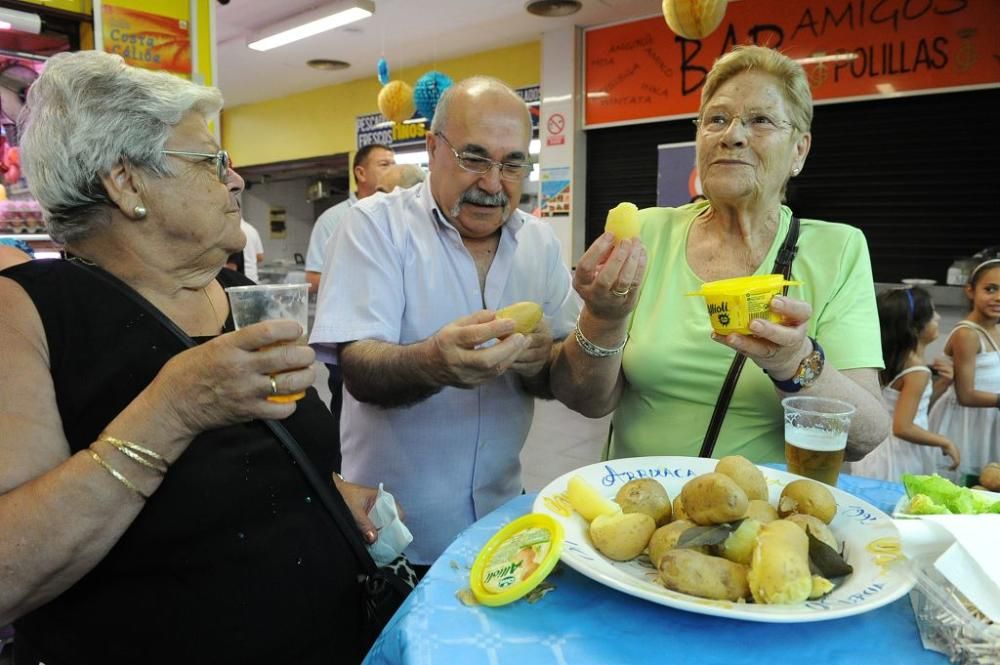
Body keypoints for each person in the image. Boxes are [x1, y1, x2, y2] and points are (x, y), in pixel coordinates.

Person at [0, 50, 392, 664]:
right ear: (126, 182)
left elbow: (238, 481)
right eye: (211, 161)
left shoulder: (234, 288)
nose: (235, 180)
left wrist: (319, 493)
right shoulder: (27, 312)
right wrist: (173, 410)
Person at [550, 45, 889, 464]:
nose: (732, 134)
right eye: (716, 119)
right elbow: (586, 400)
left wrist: (793, 361)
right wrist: (602, 318)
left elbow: (866, 434)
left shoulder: (837, 250)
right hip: (637, 510)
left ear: (799, 150)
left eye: (760, 120)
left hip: (763, 520)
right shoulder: (648, 233)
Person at [310, 76, 580, 570]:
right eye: (474, 158)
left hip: (504, 524)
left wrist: (545, 358)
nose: (494, 184)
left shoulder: (539, 244)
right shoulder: (374, 227)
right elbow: (358, 368)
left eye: (513, 163)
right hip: (394, 534)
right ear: (432, 149)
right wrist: (433, 362)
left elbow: (557, 379)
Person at [853, 287, 959, 481]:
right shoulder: (917, 371)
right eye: (933, 314)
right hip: (898, 457)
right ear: (915, 327)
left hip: (878, 451)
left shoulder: (895, 360)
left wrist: (943, 384)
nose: (938, 318)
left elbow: (909, 404)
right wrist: (944, 441)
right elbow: (902, 427)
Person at [929, 259, 1000, 483]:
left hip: (990, 420)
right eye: (990, 289)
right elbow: (966, 395)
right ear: (970, 291)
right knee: (966, 485)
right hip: (966, 423)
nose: (998, 297)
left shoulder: (997, 329)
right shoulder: (967, 334)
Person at [304, 143, 395, 295]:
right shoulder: (333, 219)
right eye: (384, 165)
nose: (393, 170)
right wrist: (367, 283)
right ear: (361, 174)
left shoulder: (398, 215)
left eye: (394, 165)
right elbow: (313, 279)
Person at [240, 217, 264, 282]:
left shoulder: (232, 231)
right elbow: (260, 257)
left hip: (239, 278)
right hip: (252, 278)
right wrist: (250, 256)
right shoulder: (252, 230)